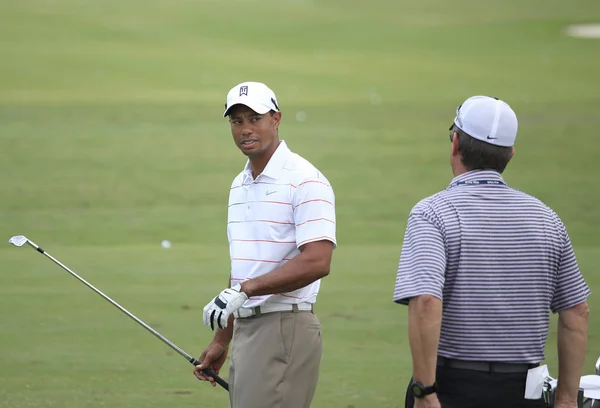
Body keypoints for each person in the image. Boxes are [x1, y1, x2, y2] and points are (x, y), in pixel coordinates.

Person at [393, 95, 591, 408]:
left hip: (451, 390)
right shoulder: (547, 218)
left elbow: (427, 301)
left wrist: (425, 391)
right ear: (510, 154)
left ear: (455, 143)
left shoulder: (432, 213)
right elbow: (576, 312)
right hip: (525, 392)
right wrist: (566, 399)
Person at [193, 81, 337, 408]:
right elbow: (246, 267)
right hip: (248, 327)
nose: (245, 129)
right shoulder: (240, 184)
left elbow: (318, 262)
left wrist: (245, 290)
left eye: (254, 118)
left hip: (285, 327)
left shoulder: (305, 179)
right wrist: (223, 337)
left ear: (276, 119)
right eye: (236, 121)